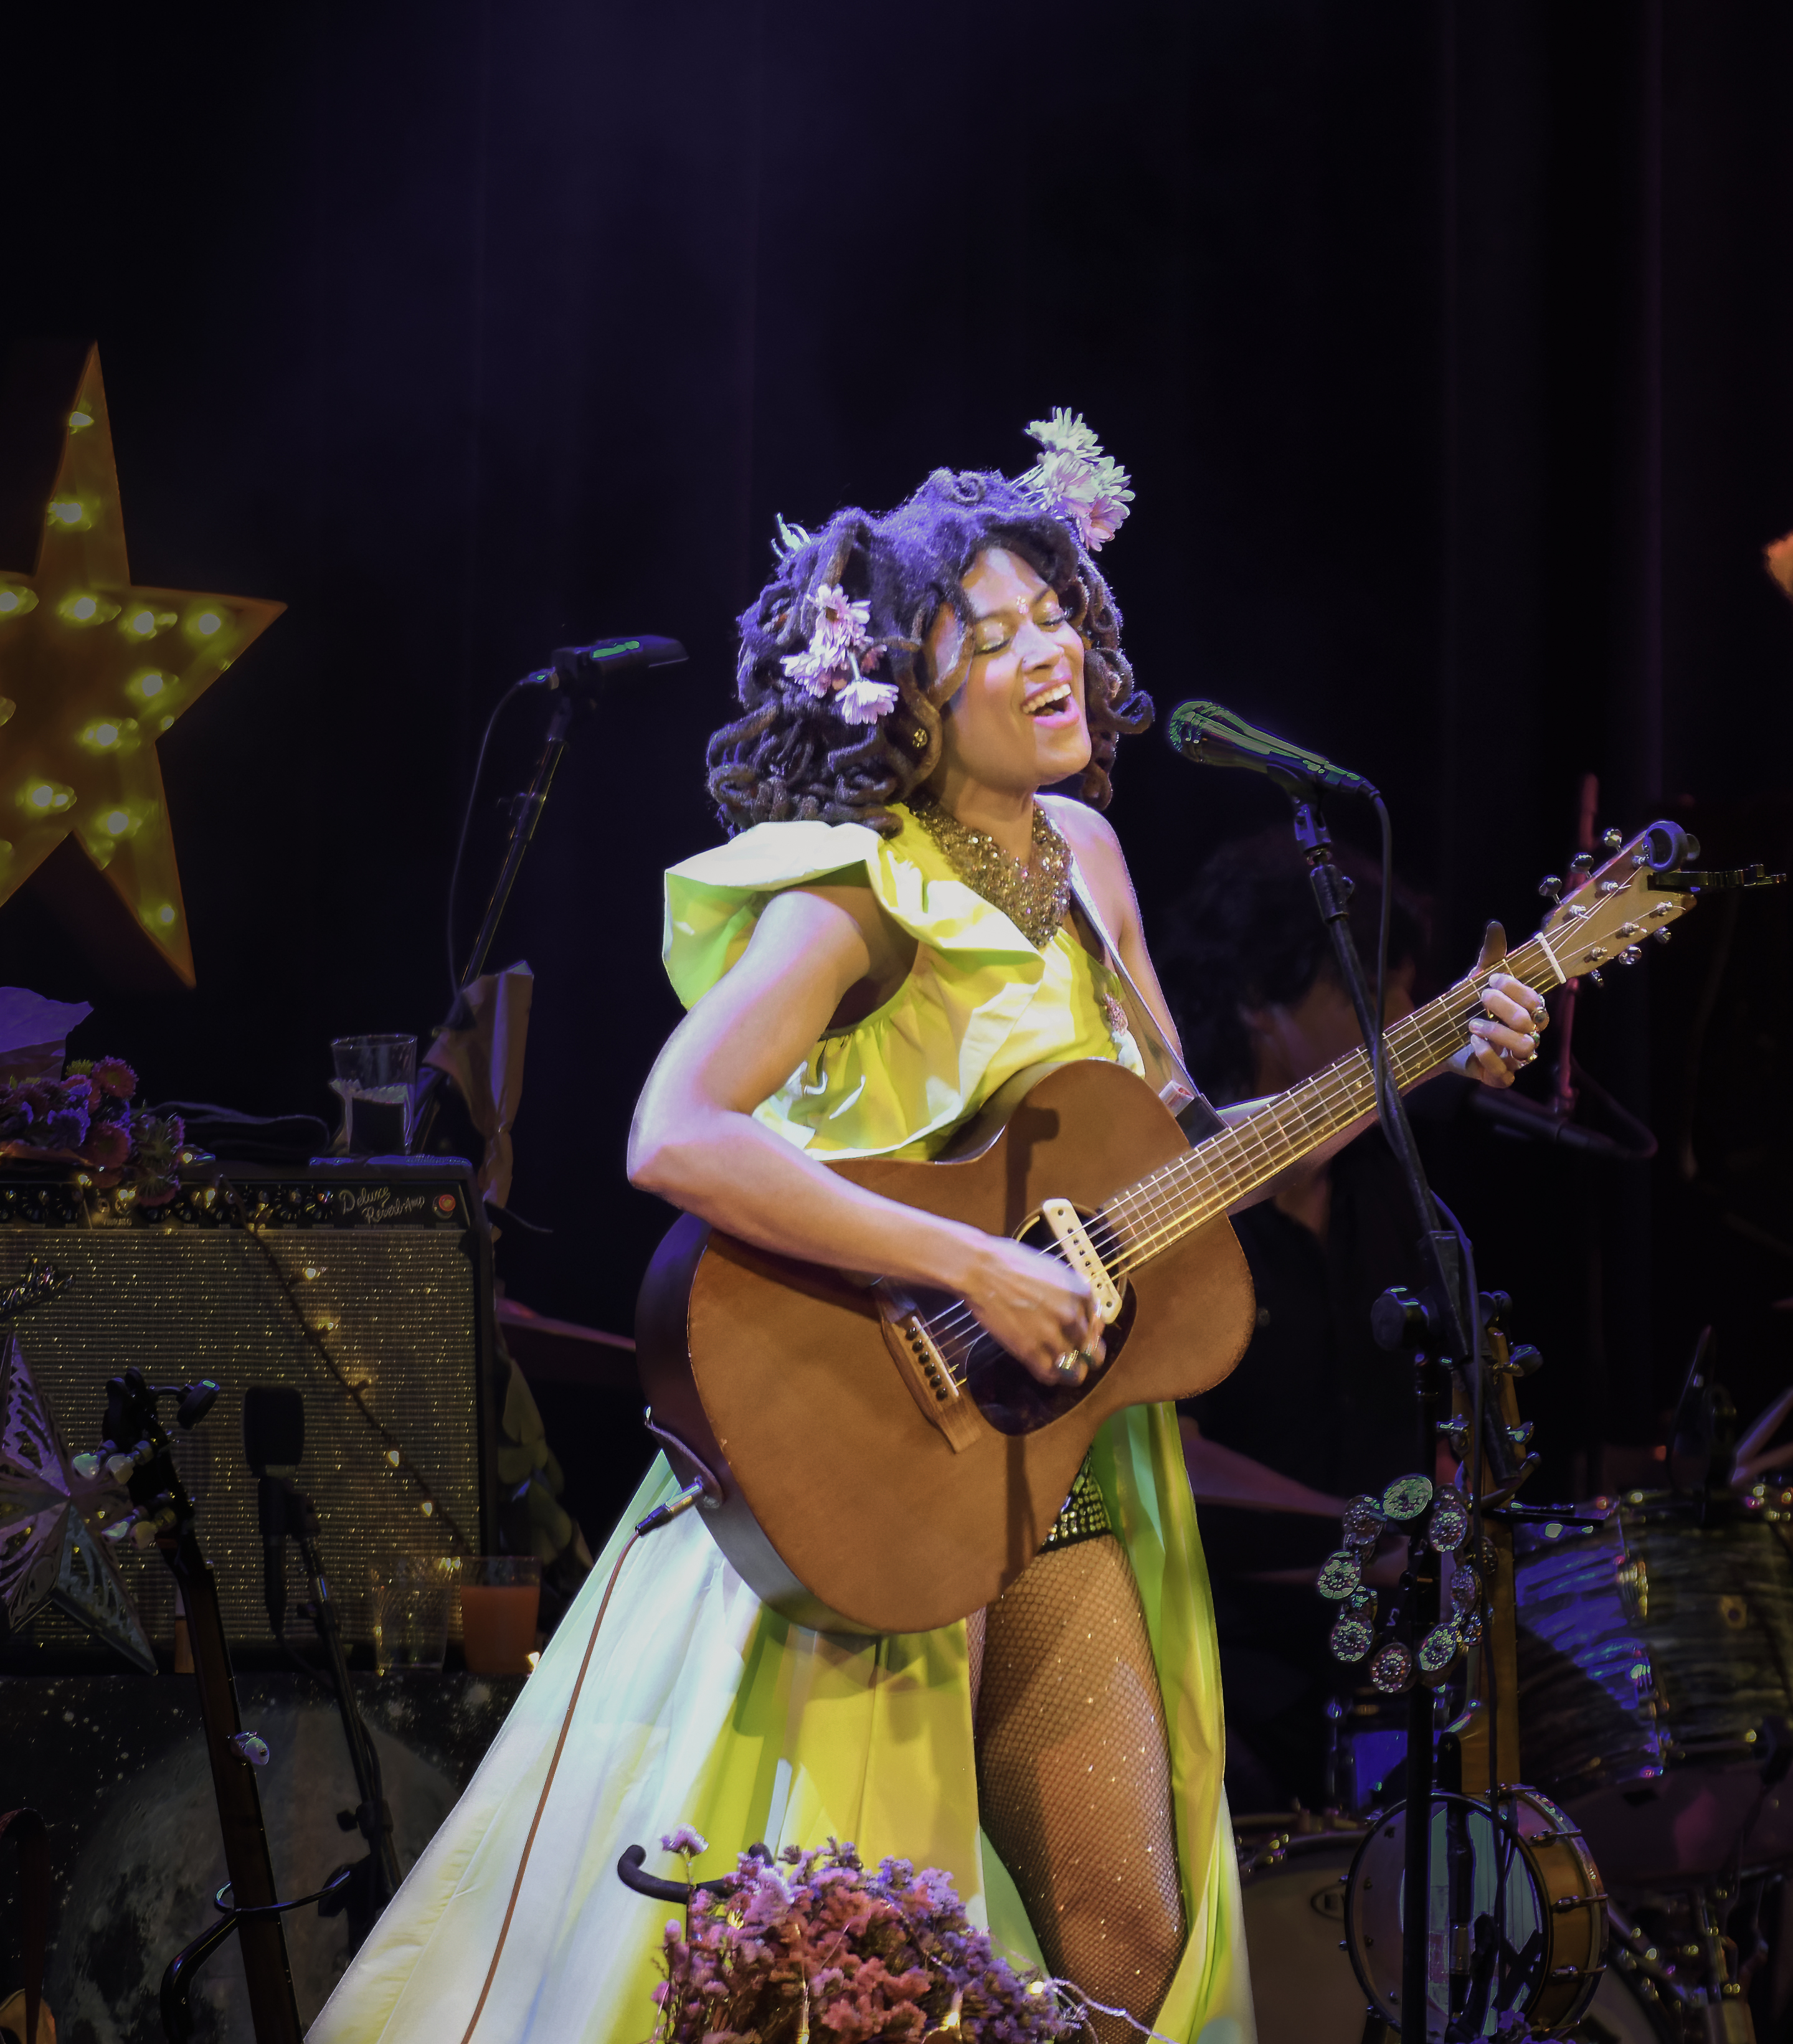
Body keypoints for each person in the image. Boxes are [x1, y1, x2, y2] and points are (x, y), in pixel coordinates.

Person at [308, 422, 1543, 2043]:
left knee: (1122, 1939)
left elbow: (1174, 1151)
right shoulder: (856, 887)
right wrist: (973, 1261)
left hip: (1053, 1461)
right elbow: (677, 1130)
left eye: (1057, 617)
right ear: (904, 683)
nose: (1047, 653)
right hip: (860, 1438)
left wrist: (1430, 1046)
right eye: (993, 630)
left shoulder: (1091, 860)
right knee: (830, 1943)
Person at [1159, 829, 1448, 1807]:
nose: (1403, 1023)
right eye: (1369, 996)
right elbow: (1165, 1449)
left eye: (1407, 992)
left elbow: (1438, 1410)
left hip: (1378, 1646)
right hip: (1219, 1654)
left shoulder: (1394, 1197)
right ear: (1259, 1004)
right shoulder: (1175, 1205)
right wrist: (1356, 1526)